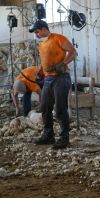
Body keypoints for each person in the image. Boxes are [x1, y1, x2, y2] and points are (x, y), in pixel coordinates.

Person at [29, 19, 77, 149]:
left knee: (60, 108)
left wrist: (63, 64)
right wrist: (40, 70)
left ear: (44, 29)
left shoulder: (58, 38)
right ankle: (48, 135)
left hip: (61, 78)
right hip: (48, 79)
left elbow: (73, 52)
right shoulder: (41, 45)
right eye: (35, 33)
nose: (36, 35)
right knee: (45, 108)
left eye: (37, 31)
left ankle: (64, 138)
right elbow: (45, 60)